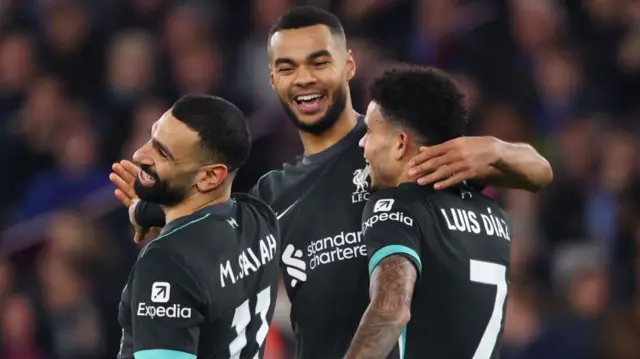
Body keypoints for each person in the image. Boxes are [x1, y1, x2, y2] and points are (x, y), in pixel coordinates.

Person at [111, 7, 552, 359]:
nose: (303, 78)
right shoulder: (272, 193)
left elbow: (537, 172)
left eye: (318, 62)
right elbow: (210, 255)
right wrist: (161, 221)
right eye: (287, 67)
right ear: (272, 80)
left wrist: (494, 149)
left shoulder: (394, 148)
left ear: (348, 66)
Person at [344, 66, 513, 359]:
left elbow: (392, 310)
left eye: (370, 131)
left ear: (400, 144)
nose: (362, 143)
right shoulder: (493, 214)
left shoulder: (396, 205)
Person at [116, 95, 280, 359]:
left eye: (162, 153)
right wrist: (142, 210)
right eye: (151, 137)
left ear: (210, 176)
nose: (139, 155)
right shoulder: (260, 219)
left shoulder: (167, 262)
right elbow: (207, 212)